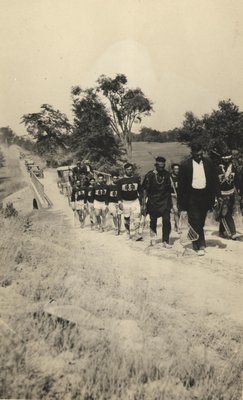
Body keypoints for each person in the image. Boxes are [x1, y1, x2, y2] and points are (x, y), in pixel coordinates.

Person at [177, 142, 220, 256]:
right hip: (191, 196)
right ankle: (201, 244)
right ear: (192, 153)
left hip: (205, 196)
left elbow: (215, 180)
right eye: (197, 155)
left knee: (200, 221)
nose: (199, 156)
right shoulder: (185, 165)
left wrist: (218, 195)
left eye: (201, 154)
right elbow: (181, 186)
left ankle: (195, 242)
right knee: (194, 219)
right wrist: (180, 203)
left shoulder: (208, 163)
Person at [142, 157, 172, 248]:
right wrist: (143, 203)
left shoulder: (167, 175)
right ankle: (153, 239)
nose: (161, 168)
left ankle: (165, 241)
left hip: (165, 201)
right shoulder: (150, 175)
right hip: (153, 201)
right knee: (153, 220)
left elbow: (171, 189)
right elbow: (144, 190)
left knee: (166, 221)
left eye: (163, 166)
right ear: (156, 166)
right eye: (159, 166)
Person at [217, 151, 239, 239]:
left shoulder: (233, 167)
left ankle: (221, 231)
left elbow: (236, 179)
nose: (226, 159)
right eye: (224, 158)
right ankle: (233, 232)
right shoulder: (217, 169)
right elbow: (215, 183)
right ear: (222, 158)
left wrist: (239, 190)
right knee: (226, 213)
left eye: (228, 158)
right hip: (222, 194)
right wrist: (216, 196)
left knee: (227, 212)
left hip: (231, 192)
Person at [117, 163, 143, 241]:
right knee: (126, 218)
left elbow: (140, 190)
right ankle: (128, 231)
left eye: (130, 169)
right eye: (128, 169)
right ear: (125, 170)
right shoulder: (120, 181)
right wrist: (120, 202)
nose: (129, 171)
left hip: (135, 201)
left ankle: (136, 234)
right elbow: (119, 193)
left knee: (137, 217)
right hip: (125, 202)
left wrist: (141, 201)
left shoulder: (136, 179)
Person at [170, 163, 180, 233]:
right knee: (175, 211)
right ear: (173, 169)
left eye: (178, 169)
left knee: (180, 211)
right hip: (172, 195)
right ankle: (178, 227)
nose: (177, 170)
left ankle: (177, 226)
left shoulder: (181, 176)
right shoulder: (169, 177)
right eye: (175, 169)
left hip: (180, 196)